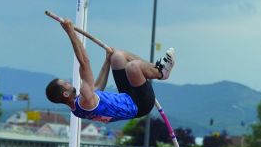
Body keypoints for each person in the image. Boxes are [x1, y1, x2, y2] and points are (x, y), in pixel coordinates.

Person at [46, 17, 175, 123]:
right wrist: (71, 33)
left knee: (117, 57)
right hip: (140, 104)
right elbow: (84, 62)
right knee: (133, 67)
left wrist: (107, 61)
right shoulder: (85, 98)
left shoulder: (79, 108)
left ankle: (155, 67)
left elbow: (97, 87)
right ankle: (161, 72)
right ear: (65, 94)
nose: (69, 82)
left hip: (127, 96)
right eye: (66, 84)